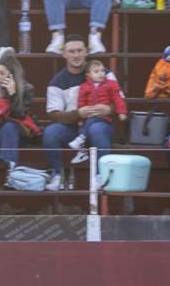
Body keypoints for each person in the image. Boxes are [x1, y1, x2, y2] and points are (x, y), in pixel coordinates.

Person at [41, 35, 118, 189]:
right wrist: (78, 114)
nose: (76, 55)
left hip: (100, 122)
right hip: (73, 127)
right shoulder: (58, 81)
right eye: (71, 51)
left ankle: (101, 176)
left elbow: (120, 99)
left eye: (79, 51)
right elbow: (53, 113)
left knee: (97, 129)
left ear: (86, 52)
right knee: (50, 133)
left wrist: (108, 108)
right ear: (64, 54)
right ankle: (57, 175)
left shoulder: (103, 72)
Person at [66, 57, 127, 163]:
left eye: (103, 71)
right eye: (96, 71)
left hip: (104, 118)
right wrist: (80, 119)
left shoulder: (111, 84)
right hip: (88, 117)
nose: (101, 73)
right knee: (84, 125)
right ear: (88, 75)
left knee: (93, 122)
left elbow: (118, 98)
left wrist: (122, 112)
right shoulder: (84, 86)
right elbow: (81, 102)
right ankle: (82, 152)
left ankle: (81, 139)